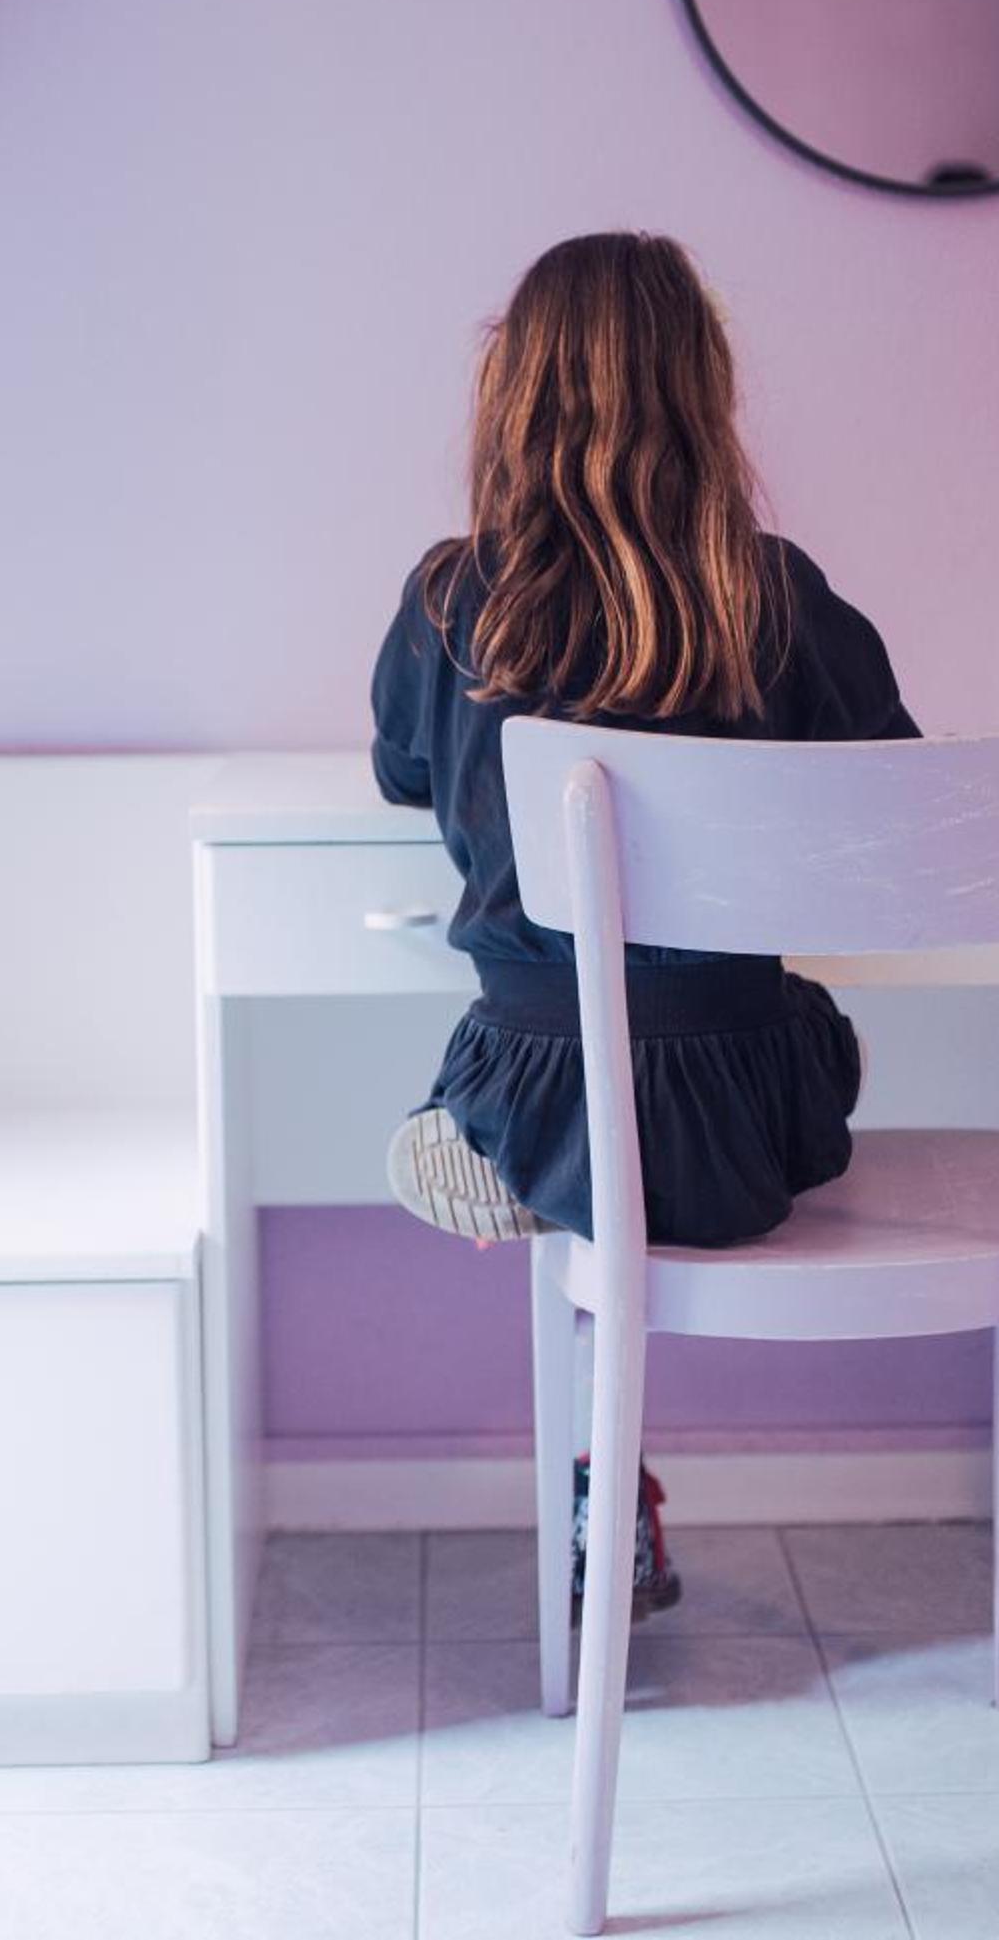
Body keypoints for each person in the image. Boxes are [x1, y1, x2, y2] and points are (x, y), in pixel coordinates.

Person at [371, 231, 920, 1613]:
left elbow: (404, 773)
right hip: (745, 1120)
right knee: (809, 1030)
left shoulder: (449, 603)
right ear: (703, 395)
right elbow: (902, 797)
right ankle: (608, 1464)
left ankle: (510, 1190)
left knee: (500, 1097)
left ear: (511, 393)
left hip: (540, 1090)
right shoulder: (771, 595)